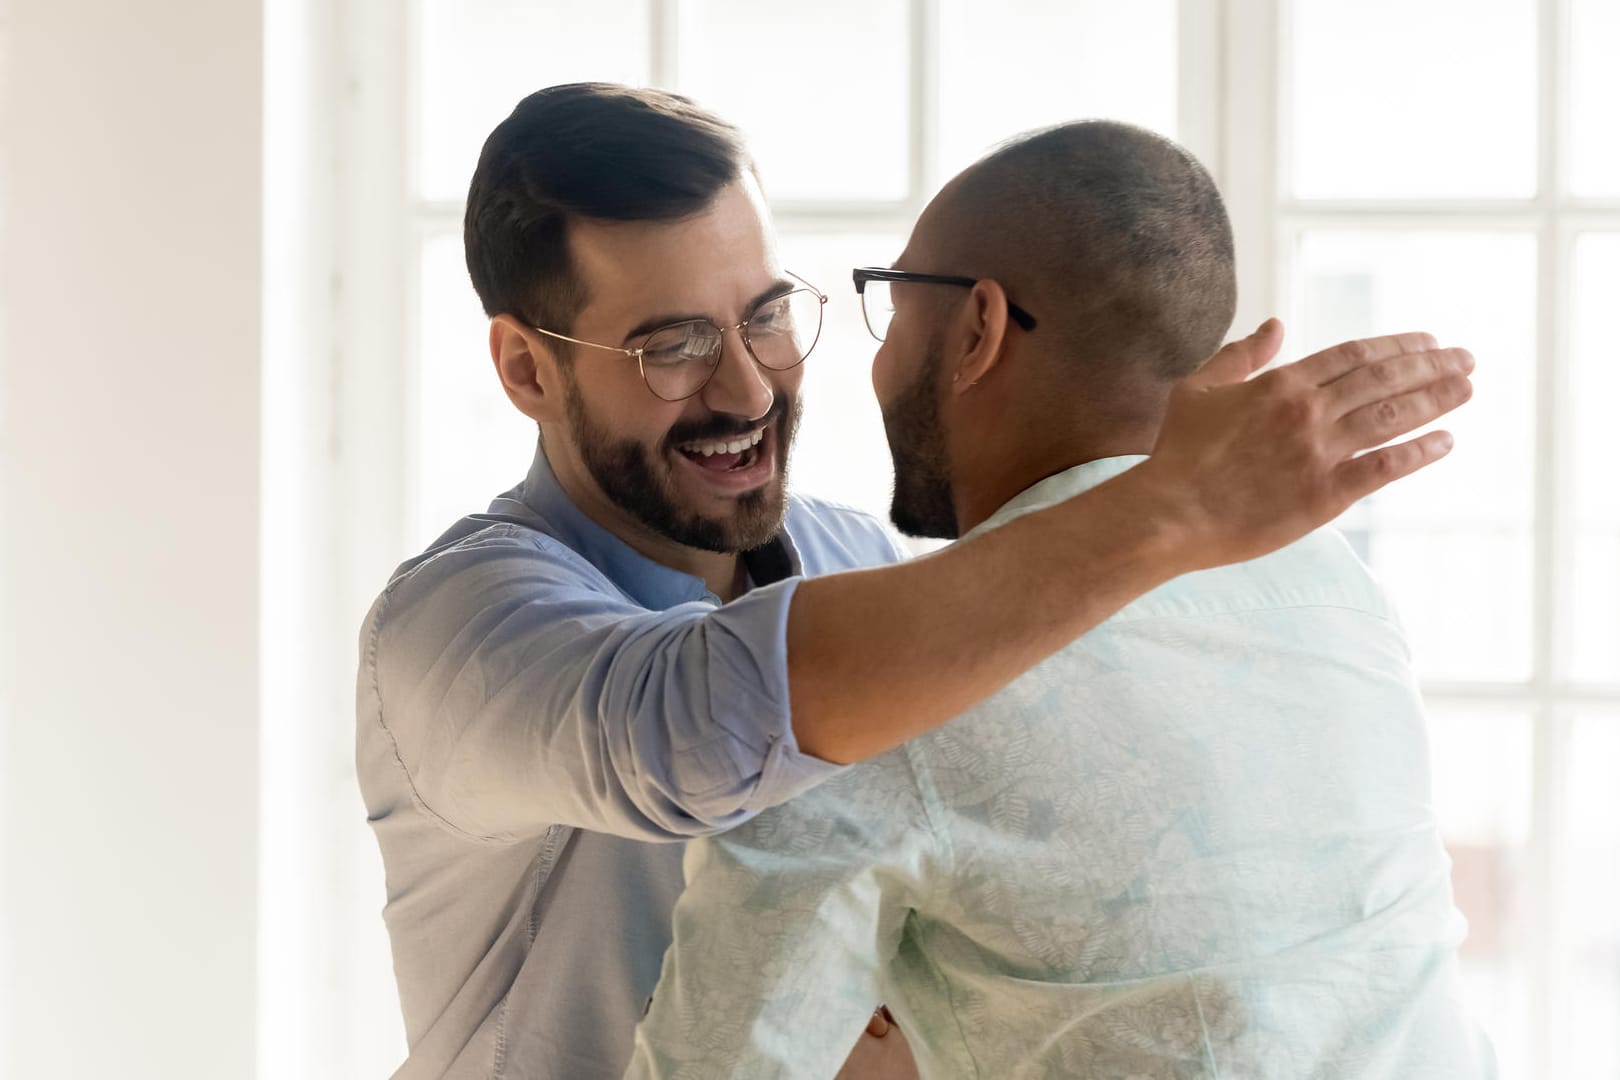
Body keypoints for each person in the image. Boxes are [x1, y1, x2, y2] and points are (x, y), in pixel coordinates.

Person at [356, 84, 1473, 1080]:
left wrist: (1129, 455)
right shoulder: (454, 628)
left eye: (766, 316)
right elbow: (700, 730)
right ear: (524, 367)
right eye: (673, 346)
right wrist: (1164, 502)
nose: (748, 386)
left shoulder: (867, 568)